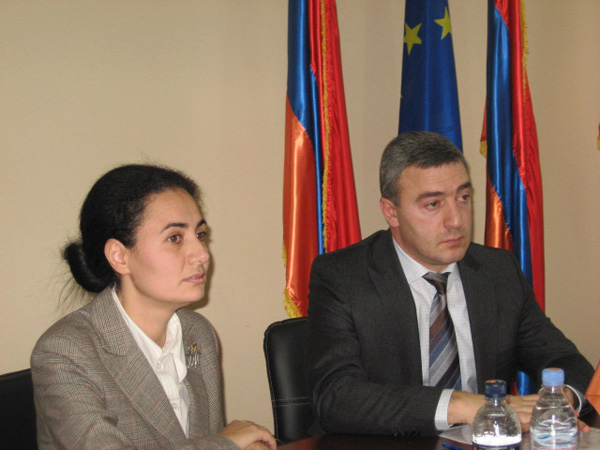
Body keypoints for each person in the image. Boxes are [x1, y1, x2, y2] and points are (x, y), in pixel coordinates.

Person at [305, 131, 594, 437]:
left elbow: (565, 360)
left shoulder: (498, 272)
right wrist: (462, 405)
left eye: (463, 198)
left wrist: (557, 401)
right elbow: (335, 396)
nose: (456, 221)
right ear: (391, 212)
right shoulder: (343, 277)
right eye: (433, 204)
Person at [31, 164, 276, 450]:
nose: (201, 254)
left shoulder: (198, 333)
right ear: (119, 256)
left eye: (200, 234)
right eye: (175, 238)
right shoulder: (65, 351)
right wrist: (226, 444)